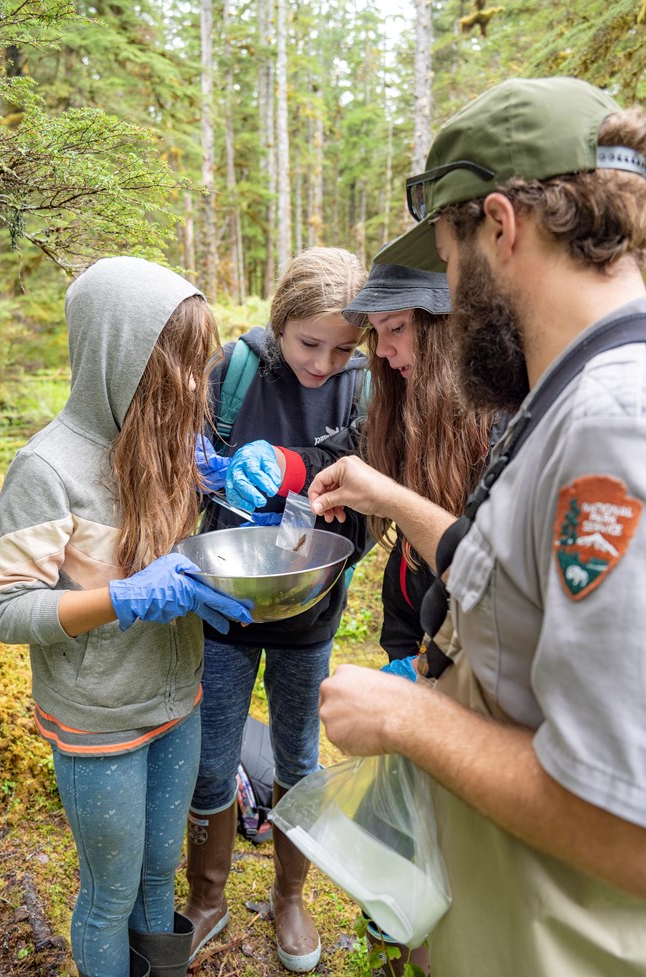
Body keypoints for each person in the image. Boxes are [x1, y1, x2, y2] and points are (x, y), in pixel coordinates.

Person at [307, 77, 646, 977]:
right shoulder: (569, 395)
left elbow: (630, 827)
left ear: (501, 224)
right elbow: (516, 583)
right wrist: (395, 499)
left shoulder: (614, 424)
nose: (450, 293)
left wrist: (411, 718)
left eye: (450, 262)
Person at [217, 260, 499, 976]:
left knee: (462, 831)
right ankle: (395, 939)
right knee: (410, 822)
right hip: (420, 632)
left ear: (440, 327)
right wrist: (276, 467)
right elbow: (341, 459)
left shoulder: (496, 419)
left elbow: (487, 562)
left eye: (393, 332)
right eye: (375, 336)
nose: (384, 354)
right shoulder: (401, 401)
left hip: (478, 652)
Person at [0, 256, 251, 977]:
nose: (197, 386)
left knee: (155, 875)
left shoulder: (166, 444)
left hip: (178, 699)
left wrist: (228, 478)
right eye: (181, 367)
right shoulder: (47, 468)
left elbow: (186, 539)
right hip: (99, 716)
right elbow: (6, 606)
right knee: (110, 893)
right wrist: (123, 597)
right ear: (121, 355)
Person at [184, 246, 370, 972]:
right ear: (279, 321)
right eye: (308, 343)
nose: (323, 362)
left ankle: (290, 897)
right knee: (212, 755)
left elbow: (367, 514)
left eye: (343, 347)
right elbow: (180, 472)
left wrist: (319, 492)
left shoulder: (362, 387)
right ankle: (206, 896)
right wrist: (199, 466)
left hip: (311, 614)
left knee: (296, 753)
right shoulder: (231, 372)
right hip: (223, 608)